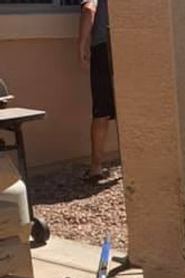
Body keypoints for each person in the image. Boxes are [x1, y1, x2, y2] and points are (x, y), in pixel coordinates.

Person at [78, 0, 114, 183]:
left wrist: (81, 46)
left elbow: (88, 9)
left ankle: (96, 168)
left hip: (103, 48)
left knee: (102, 110)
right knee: (127, 103)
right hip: (129, 47)